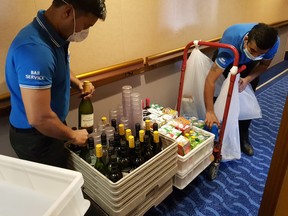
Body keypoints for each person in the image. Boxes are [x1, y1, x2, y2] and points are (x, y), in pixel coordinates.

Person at [5, 0, 106, 168]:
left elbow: (57, 67)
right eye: (86, 25)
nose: (84, 31)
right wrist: (73, 135)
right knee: (57, 188)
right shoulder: (36, 50)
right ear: (67, 12)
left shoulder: (53, 35)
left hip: (51, 125)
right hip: (37, 137)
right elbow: (39, 118)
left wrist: (77, 83)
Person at [204, 23, 279, 156]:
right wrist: (210, 111)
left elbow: (264, 64)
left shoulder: (272, 44)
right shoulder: (230, 41)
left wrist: (247, 79)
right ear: (246, 40)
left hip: (248, 67)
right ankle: (216, 131)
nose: (255, 54)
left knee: (245, 95)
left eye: (260, 53)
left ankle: (243, 134)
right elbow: (210, 80)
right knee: (221, 94)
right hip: (230, 59)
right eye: (252, 50)